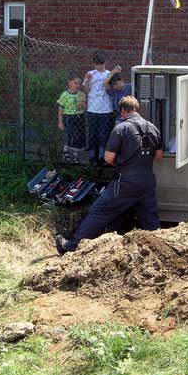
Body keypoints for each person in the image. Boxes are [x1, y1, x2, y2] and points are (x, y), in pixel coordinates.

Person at [56, 96, 163, 255]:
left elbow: (108, 158)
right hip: (148, 180)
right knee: (150, 220)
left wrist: (122, 162)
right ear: (137, 109)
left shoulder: (121, 129)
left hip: (127, 181)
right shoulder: (153, 128)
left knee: (99, 211)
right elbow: (159, 155)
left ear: (122, 111)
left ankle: (71, 247)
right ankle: (160, 253)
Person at [83, 50, 121, 166]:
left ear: (105, 63)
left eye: (101, 63)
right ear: (94, 63)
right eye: (97, 64)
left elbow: (109, 87)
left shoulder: (109, 74)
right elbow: (85, 91)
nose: (99, 66)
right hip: (92, 110)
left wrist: (113, 73)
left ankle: (102, 156)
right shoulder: (90, 74)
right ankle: (92, 157)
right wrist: (88, 81)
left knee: (104, 134)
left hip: (106, 109)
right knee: (92, 134)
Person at [57, 71, 87, 163]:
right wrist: (60, 122)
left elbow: (85, 108)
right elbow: (60, 109)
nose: (78, 85)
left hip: (80, 117)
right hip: (70, 118)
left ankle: (75, 155)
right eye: (75, 83)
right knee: (74, 136)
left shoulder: (80, 94)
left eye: (79, 83)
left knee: (80, 136)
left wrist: (82, 102)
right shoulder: (64, 95)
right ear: (69, 82)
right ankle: (65, 149)